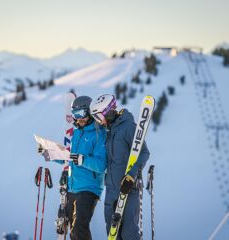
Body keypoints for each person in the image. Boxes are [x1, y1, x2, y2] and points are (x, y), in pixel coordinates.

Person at [38, 96, 107, 240]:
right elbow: (70, 158)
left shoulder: (99, 133)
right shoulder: (77, 133)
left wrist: (83, 160)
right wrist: (49, 153)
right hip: (72, 187)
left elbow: (102, 165)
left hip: (89, 188)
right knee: (67, 226)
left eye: (80, 114)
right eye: (75, 114)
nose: (77, 119)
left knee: (78, 228)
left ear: (89, 113)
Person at [89, 94, 150, 240]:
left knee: (128, 234)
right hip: (111, 191)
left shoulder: (128, 127)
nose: (98, 122)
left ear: (108, 112)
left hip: (128, 190)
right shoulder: (109, 131)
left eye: (98, 117)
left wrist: (131, 175)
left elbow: (144, 153)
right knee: (112, 234)